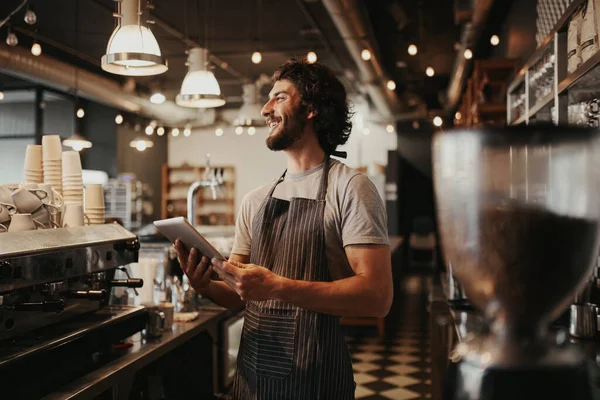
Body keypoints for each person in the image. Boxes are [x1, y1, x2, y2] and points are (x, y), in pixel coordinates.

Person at [174, 57, 393, 399]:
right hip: (252, 382)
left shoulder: (350, 187)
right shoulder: (255, 200)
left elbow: (377, 297)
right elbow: (238, 293)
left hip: (317, 381)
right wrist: (205, 285)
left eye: (279, 97)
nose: (265, 109)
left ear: (312, 108)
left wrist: (279, 288)